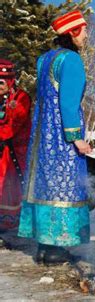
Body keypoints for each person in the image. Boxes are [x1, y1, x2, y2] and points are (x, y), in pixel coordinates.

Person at [18, 10, 92, 265]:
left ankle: (43, 245)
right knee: (64, 187)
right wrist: (76, 137)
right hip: (61, 137)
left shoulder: (45, 59)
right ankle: (57, 248)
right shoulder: (71, 60)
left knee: (44, 185)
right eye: (83, 30)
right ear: (72, 33)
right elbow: (69, 103)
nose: (86, 34)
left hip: (42, 135)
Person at [0, 59, 31, 240]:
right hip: (3, 150)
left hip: (16, 153)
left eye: (1, 82)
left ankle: (14, 223)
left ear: (10, 81)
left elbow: (13, 125)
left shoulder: (20, 98)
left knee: (12, 186)